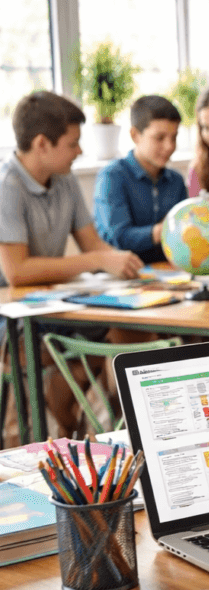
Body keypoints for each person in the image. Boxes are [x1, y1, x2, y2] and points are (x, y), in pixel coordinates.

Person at [0, 91, 145, 435]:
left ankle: (99, 426)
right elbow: (16, 272)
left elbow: (94, 245)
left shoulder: (64, 179)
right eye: (73, 143)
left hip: (49, 305)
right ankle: (69, 423)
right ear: (41, 144)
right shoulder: (7, 186)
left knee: (123, 328)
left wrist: (117, 263)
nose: (80, 151)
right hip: (10, 317)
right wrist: (97, 259)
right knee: (79, 342)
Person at [93, 95, 186, 264]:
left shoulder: (176, 181)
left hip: (168, 274)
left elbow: (184, 241)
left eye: (174, 137)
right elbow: (119, 238)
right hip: (121, 277)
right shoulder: (111, 177)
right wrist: (164, 230)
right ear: (135, 135)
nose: (169, 146)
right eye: (159, 138)